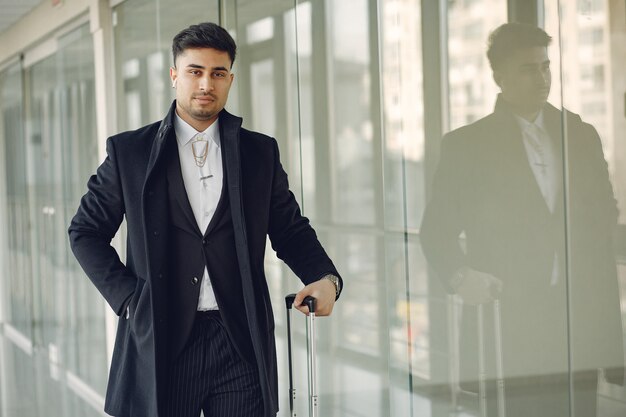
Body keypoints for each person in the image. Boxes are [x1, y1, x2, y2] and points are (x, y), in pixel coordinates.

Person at [68, 22, 342, 417]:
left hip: (240, 340)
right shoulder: (130, 152)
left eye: (217, 73)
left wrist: (326, 278)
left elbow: (290, 229)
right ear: (174, 75)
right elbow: (85, 231)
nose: (205, 84)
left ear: (230, 78)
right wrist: (129, 298)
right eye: (194, 71)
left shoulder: (258, 153)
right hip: (164, 337)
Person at [420, 22, 623, 417]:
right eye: (529, 69)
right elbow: (436, 232)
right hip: (507, 322)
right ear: (500, 77)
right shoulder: (466, 146)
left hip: (574, 320)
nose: (542, 78)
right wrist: (462, 277)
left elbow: (605, 214)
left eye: (546, 66)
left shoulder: (581, 134)